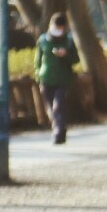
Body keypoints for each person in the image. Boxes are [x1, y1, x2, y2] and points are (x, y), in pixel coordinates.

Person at [34, 12, 81, 145]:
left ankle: (58, 132)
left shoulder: (68, 40)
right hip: (46, 79)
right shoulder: (43, 40)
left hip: (63, 79)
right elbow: (37, 61)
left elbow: (75, 59)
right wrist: (38, 75)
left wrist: (65, 55)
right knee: (51, 108)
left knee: (58, 106)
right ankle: (60, 129)